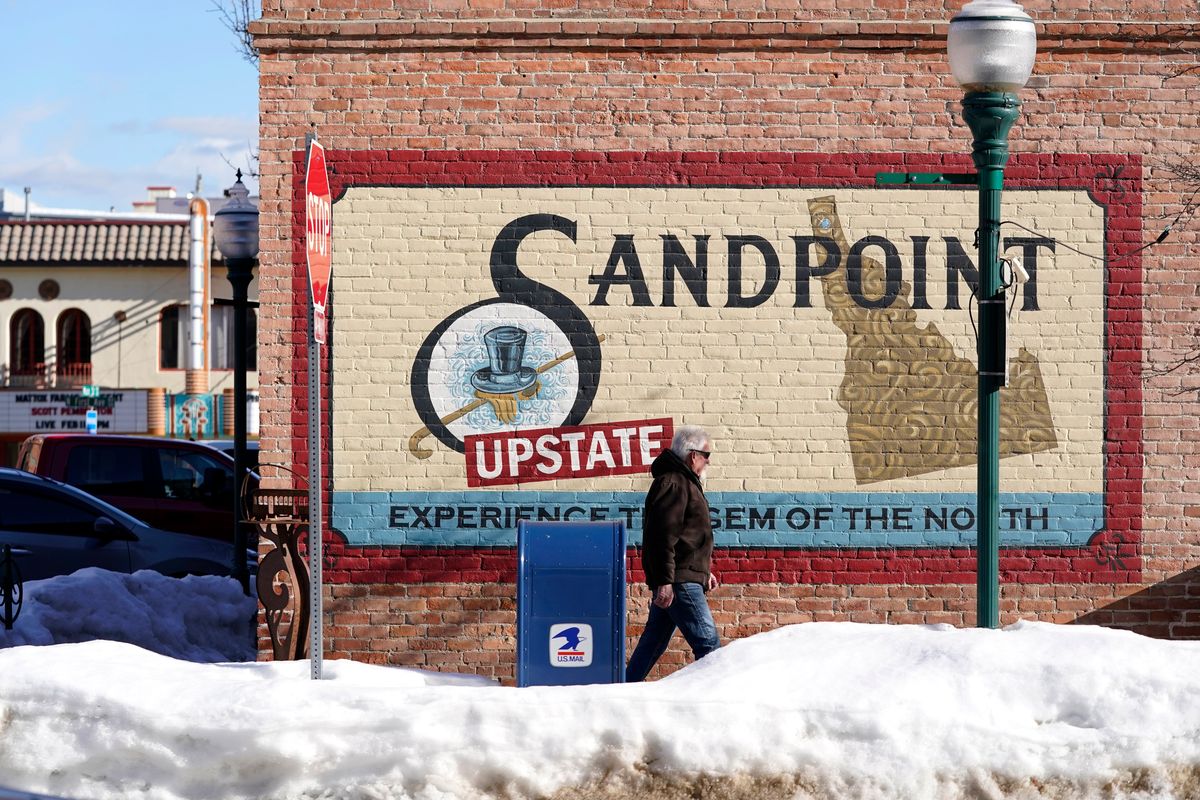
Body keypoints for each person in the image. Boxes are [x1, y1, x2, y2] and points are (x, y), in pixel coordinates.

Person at [625, 424, 720, 682]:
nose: (708, 463)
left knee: (653, 643)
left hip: (682, 576)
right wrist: (664, 581)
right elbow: (662, 537)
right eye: (707, 456)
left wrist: (703, 570)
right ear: (693, 455)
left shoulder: (683, 482)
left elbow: (687, 537)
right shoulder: (674, 483)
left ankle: (623, 691)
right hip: (679, 581)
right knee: (709, 646)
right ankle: (716, 700)